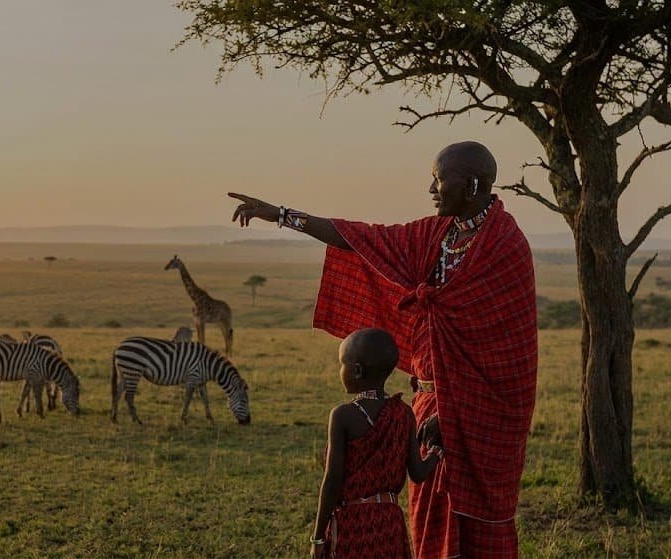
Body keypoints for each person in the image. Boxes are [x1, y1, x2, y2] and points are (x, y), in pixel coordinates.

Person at [231, 141, 538, 558]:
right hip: (429, 399)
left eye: (439, 178)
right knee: (430, 511)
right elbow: (361, 239)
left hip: (481, 417)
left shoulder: (505, 246)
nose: (431, 188)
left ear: (471, 185)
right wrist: (283, 215)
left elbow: (507, 361)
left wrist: (454, 413)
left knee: (479, 529)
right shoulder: (436, 235)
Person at [311, 328, 441, 559]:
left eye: (343, 364)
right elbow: (419, 473)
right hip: (389, 524)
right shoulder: (404, 413)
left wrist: (318, 537)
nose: (341, 370)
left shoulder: (343, 415)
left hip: (353, 524)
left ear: (357, 371)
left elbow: (332, 480)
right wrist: (436, 451)